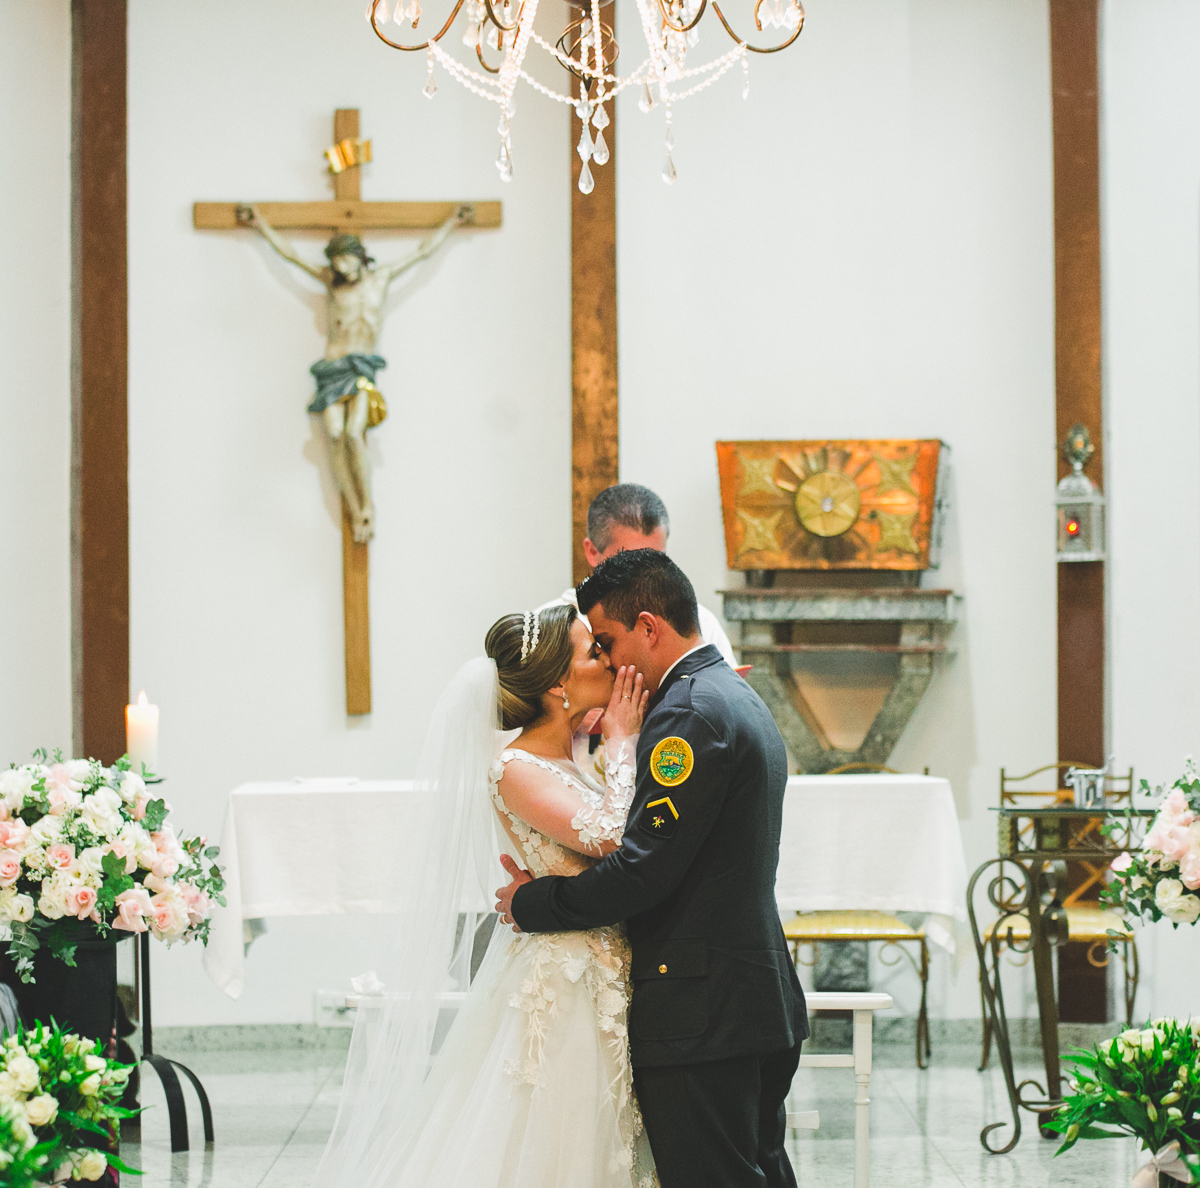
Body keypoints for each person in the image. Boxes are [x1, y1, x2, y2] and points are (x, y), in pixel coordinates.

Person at [316, 603, 658, 1188]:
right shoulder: (514, 767)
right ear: (557, 684)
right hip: (563, 981)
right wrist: (623, 739)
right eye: (592, 652)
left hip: (603, 968)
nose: (607, 658)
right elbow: (609, 837)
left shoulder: (574, 758)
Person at [497, 549, 808, 1188]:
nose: (610, 663)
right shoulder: (728, 692)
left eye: (608, 642)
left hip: (703, 1006)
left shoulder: (686, 716)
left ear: (648, 626)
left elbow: (641, 869)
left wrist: (532, 904)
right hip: (744, 993)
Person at [235, 203, 473, 542]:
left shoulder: (382, 279)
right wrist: (260, 225)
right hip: (332, 369)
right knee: (333, 434)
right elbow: (290, 257)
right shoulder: (332, 284)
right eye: (335, 264)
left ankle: (367, 507)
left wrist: (451, 223)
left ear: (359, 258)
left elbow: (422, 253)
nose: (340, 269)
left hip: (360, 367)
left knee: (352, 432)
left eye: (345, 262)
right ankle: (352, 503)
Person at [550, 484, 737, 666]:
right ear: (592, 551)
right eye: (627, 560)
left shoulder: (698, 623)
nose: (644, 573)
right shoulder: (553, 629)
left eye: (656, 559)